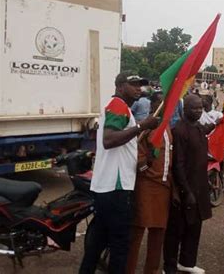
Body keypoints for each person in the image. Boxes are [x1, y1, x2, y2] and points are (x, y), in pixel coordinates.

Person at [79, 71, 160, 274]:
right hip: (116, 188)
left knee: (97, 243)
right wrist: (142, 125)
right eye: (133, 84)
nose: (138, 89)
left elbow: (122, 143)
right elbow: (109, 140)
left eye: (140, 85)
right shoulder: (118, 106)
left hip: (106, 187)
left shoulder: (122, 109)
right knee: (120, 245)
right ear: (120, 86)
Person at [163, 94, 215, 274]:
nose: (199, 111)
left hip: (200, 185)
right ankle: (169, 266)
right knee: (176, 229)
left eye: (201, 107)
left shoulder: (199, 128)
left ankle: (187, 262)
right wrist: (187, 191)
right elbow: (178, 164)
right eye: (195, 108)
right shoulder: (179, 131)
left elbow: (206, 132)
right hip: (185, 188)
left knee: (194, 227)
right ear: (185, 109)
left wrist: (221, 123)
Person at [126, 92, 173, 274]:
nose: (164, 106)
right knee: (137, 230)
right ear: (153, 105)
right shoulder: (147, 125)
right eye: (161, 103)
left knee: (158, 232)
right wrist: (145, 168)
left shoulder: (167, 127)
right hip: (146, 186)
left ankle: (151, 270)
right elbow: (136, 150)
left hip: (164, 188)